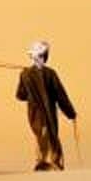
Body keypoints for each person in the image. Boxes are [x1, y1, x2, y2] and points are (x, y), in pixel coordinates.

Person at [15, 41, 77, 171]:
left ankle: (43, 161)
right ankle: (51, 162)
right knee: (49, 135)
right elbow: (61, 96)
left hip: (34, 114)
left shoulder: (25, 74)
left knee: (41, 135)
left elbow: (20, 95)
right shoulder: (50, 74)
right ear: (44, 55)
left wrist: (30, 92)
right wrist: (70, 112)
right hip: (48, 113)